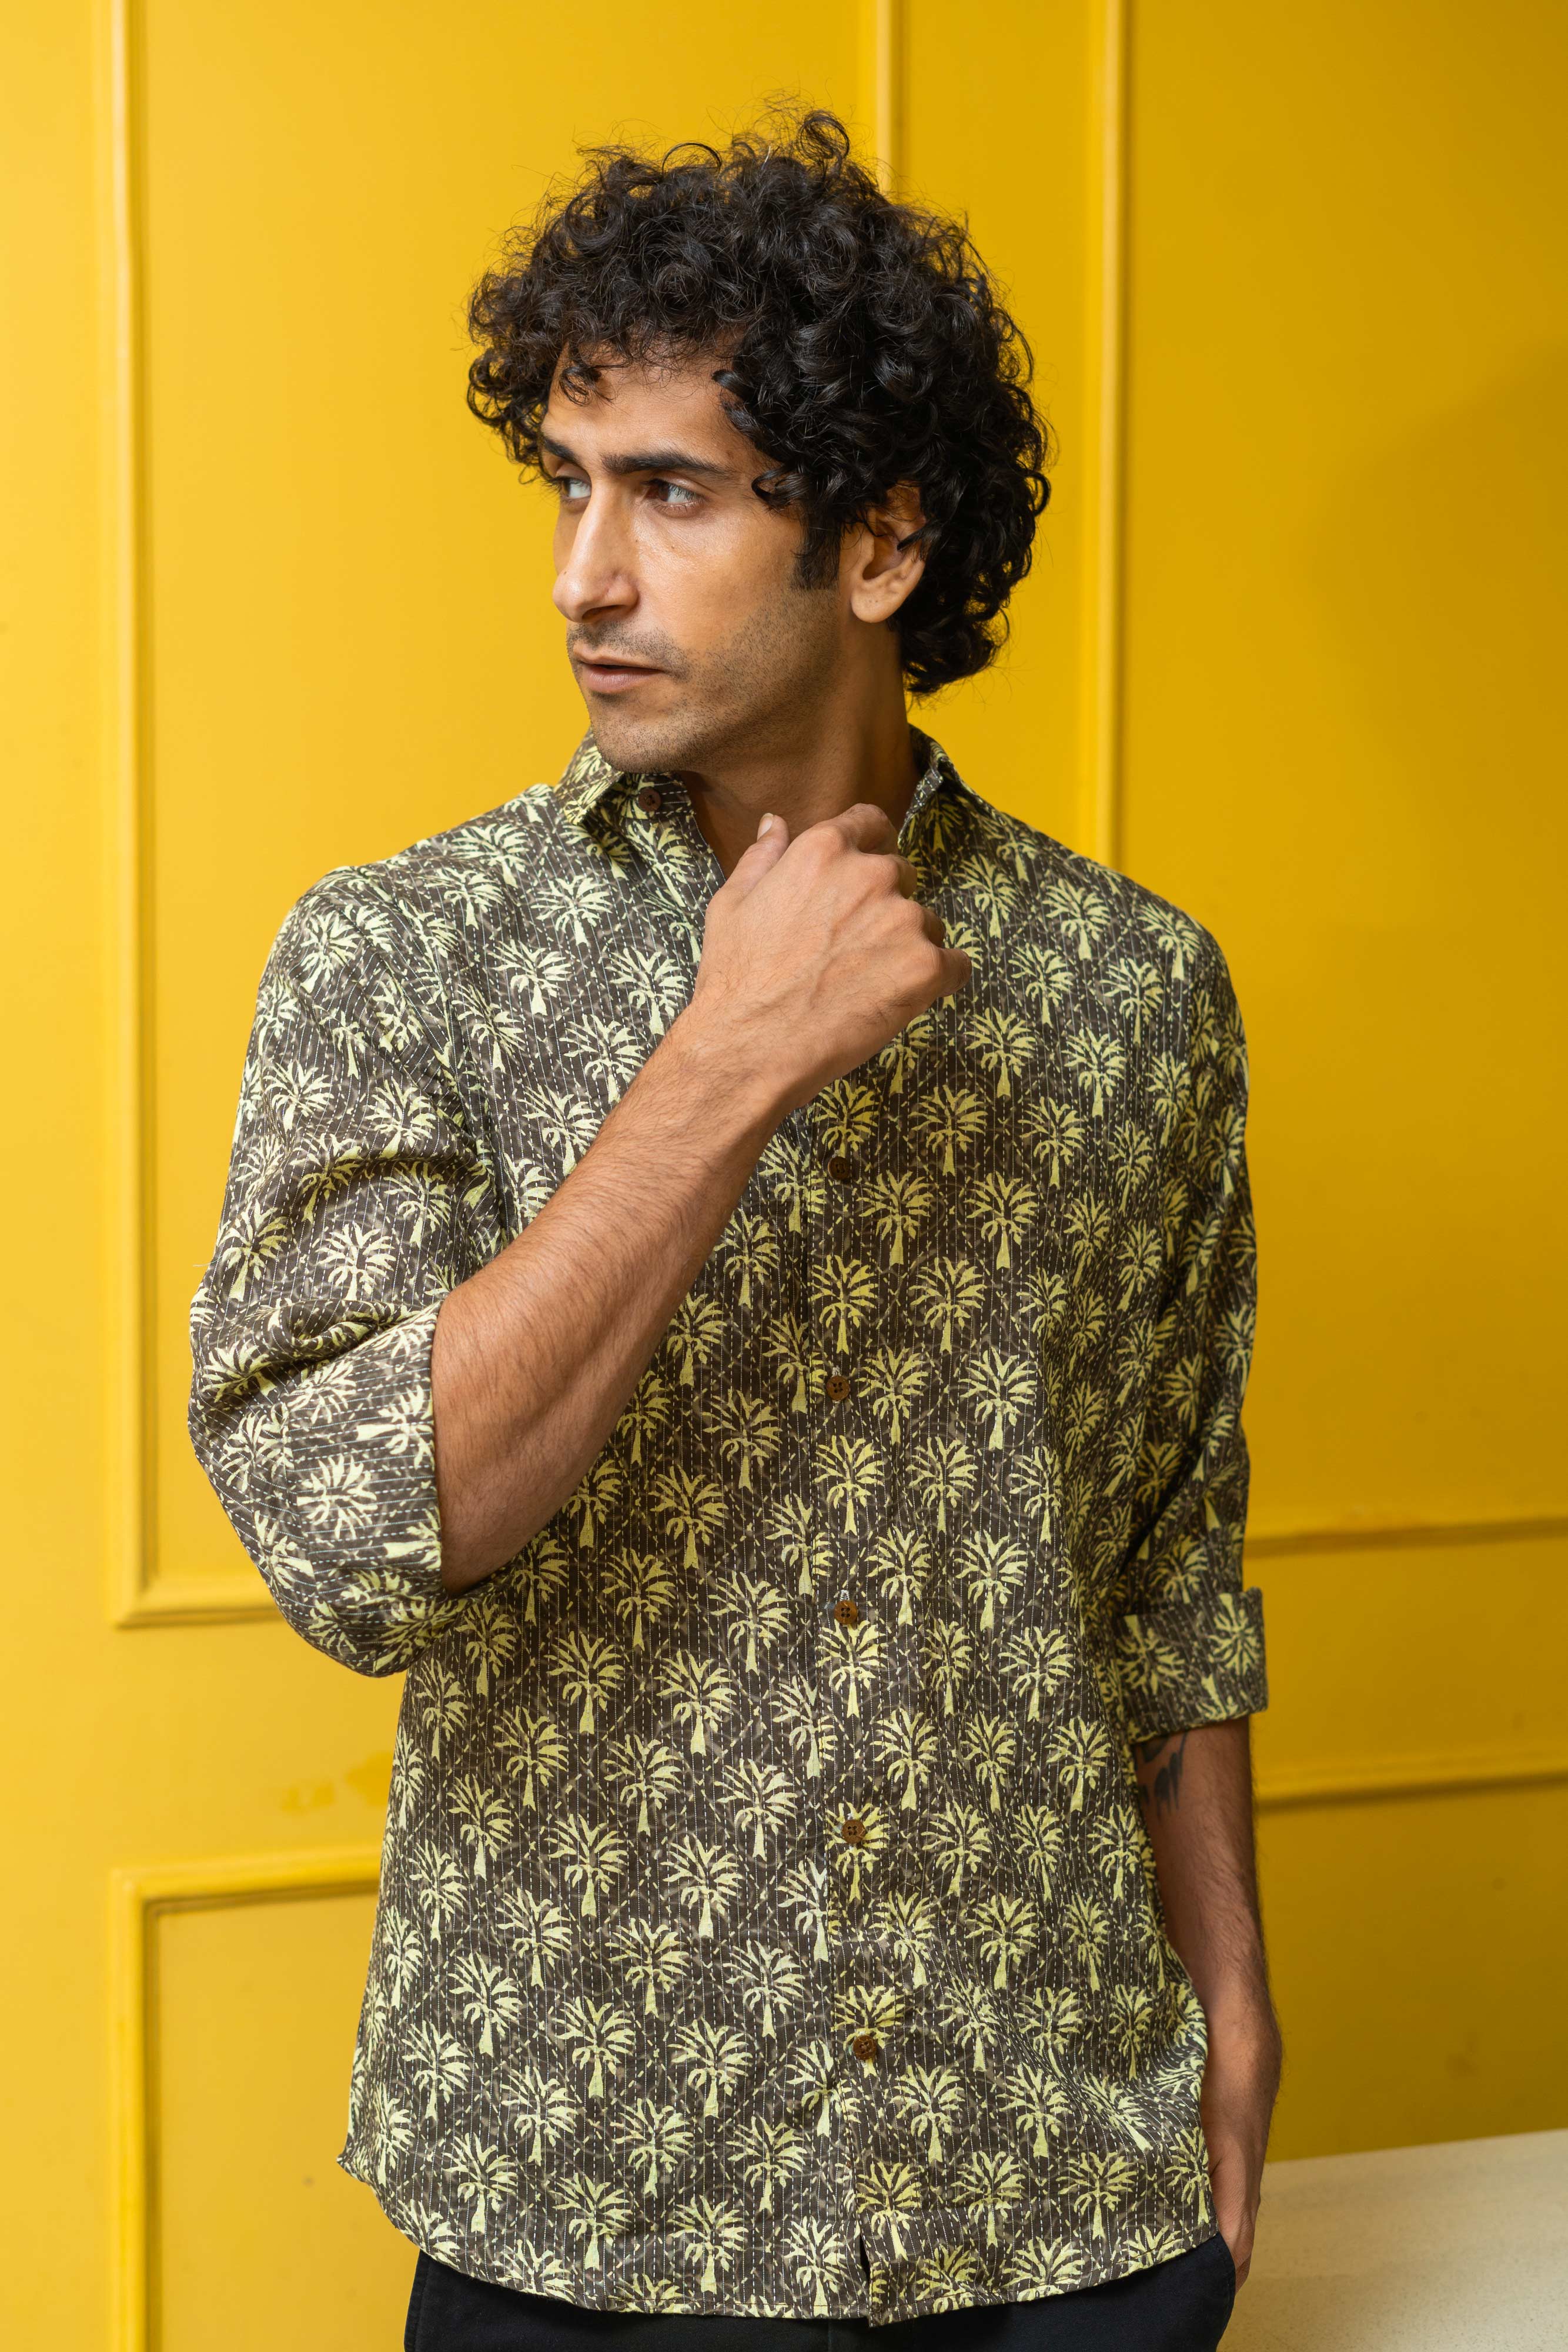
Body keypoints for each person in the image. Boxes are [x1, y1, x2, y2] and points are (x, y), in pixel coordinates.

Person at [190, 109, 1279, 2351]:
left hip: (1061, 2186)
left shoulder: (1136, 990)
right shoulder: (403, 956)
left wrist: (1234, 2006)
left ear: (876, 543)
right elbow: (360, 1539)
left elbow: (1166, 1548)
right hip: (586, 2201)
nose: (580, 575)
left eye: (666, 493)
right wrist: (723, 1062)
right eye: (566, 486)